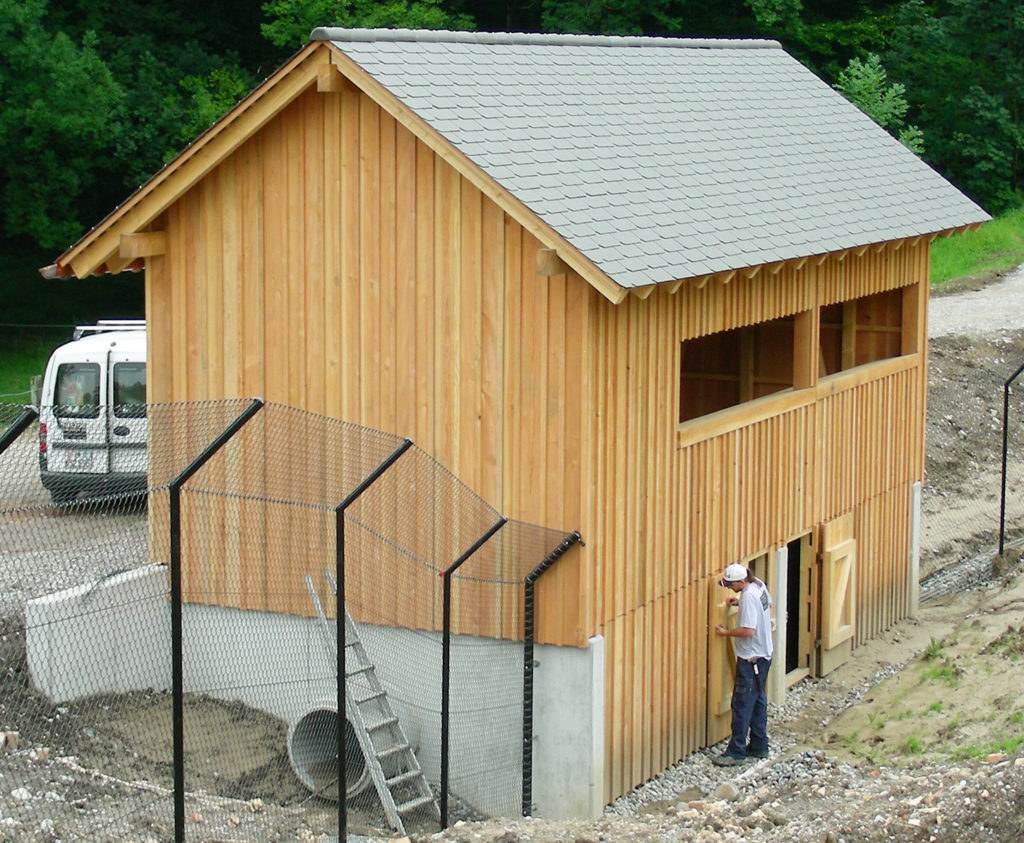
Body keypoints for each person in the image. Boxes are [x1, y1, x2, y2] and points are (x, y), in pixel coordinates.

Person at [712, 562, 773, 767]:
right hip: (764, 656)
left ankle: (736, 752)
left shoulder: (748, 596)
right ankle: (759, 745)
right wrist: (739, 603)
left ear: (740, 581)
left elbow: (748, 630)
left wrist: (726, 633)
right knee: (757, 701)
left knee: (741, 705)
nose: (730, 588)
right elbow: (764, 605)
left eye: (731, 585)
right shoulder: (758, 585)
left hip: (751, 659)